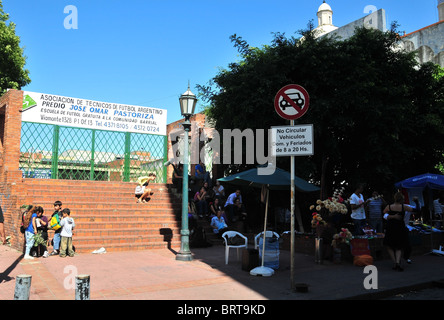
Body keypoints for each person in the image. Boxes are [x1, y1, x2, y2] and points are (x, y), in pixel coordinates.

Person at [383, 192, 417, 271]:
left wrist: (392, 216)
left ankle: (395, 262)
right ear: (402, 199)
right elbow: (417, 209)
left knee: (389, 245)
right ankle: (397, 262)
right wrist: (416, 201)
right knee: (399, 246)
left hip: (391, 227)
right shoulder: (404, 207)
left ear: (394, 198)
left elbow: (384, 214)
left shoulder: (389, 207)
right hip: (400, 227)